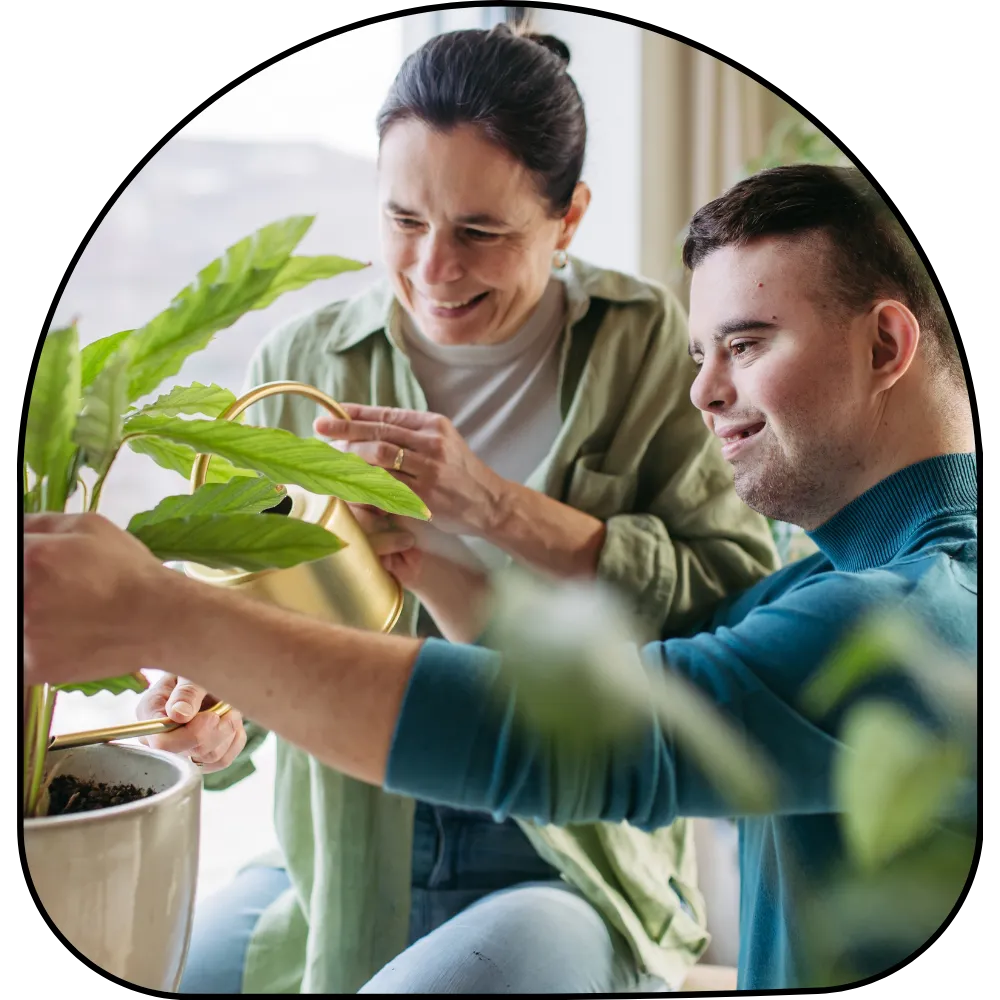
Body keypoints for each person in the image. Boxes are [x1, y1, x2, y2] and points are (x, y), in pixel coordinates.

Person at [24, 163, 976, 989]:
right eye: (702, 352)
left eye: (748, 342)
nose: (703, 390)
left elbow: (599, 732)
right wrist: (426, 559)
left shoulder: (924, 615)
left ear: (887, 346)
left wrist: (165, 612)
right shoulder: (833, 575)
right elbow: (613, 675)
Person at [125, 23, 779, 996]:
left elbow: (737, 605)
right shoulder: (303, 367)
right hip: (345, 847)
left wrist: (495, 506)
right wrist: (217, 720)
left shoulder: (647, 348)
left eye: (480, 232)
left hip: (563, 849)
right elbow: (254, 632)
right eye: (402, 221)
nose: (434, 268)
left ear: (568, 219)